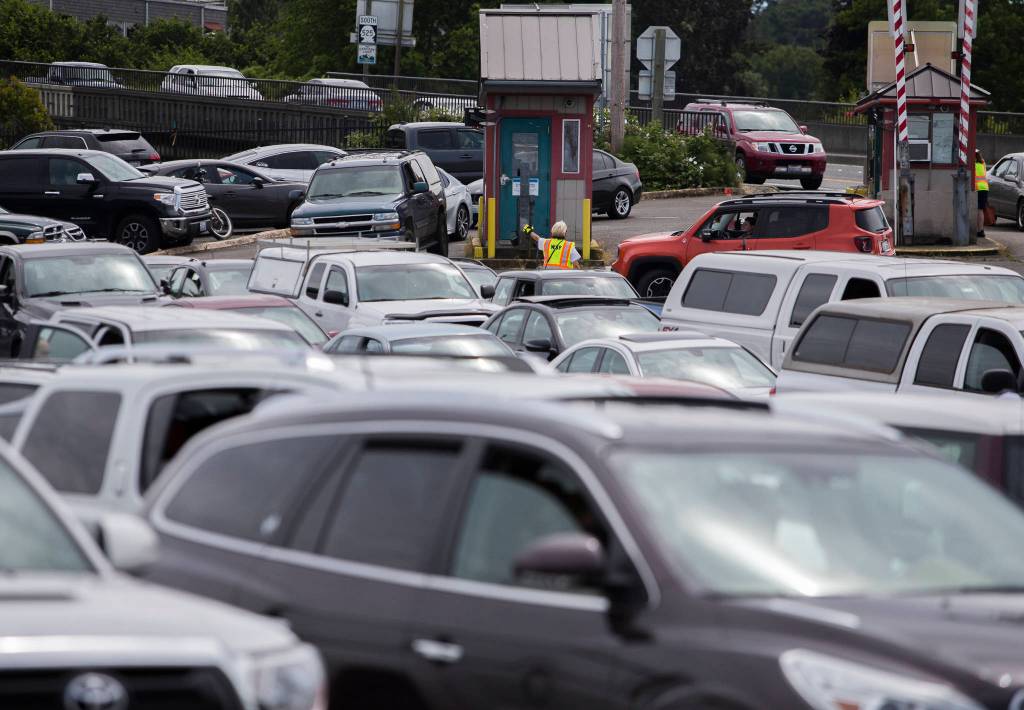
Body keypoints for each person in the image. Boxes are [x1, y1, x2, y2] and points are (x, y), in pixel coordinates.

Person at [976, 149, 989, 240]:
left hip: (978, 188)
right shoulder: (983, 164)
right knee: (981, 209)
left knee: (979, 210)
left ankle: (979, 230)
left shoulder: (974, 165)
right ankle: (981, 230)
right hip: (985, 188)